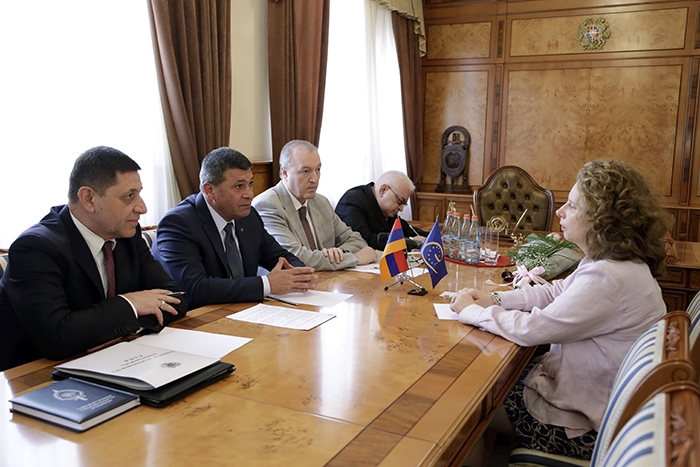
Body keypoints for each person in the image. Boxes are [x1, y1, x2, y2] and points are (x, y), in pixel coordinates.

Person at [450, 160, 669, 460]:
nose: (560, 212)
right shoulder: (613, 262)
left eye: (573, 206)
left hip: (584, 424)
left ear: (602, 219)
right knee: (484, 385)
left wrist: (470, 312)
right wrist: (496, 300)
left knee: (463, 407)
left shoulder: (608, 278)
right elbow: (555, 292)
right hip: (596, 401)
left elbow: (533, 329)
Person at [0, 146, 188, 371]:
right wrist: (130, 305)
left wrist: (113, 328)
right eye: (129, 196)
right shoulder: (36, 248)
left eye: (139, 193)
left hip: (116, 360)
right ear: (88, 198)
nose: (142, 207)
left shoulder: (127, 233)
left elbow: (176, 299)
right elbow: (57, 337)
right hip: (39, 376)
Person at [152, 147, 318, 309]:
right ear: (209, 190)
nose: (249, 194)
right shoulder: (178, 224)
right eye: (239, 186)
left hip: (243, 311)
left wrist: (299, 273)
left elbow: (279, 256)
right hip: (197, 319)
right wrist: (267, 284)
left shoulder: (248, 216)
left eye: (250, 184)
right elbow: (195, 289)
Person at [252, 140, 378, 270]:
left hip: (326, 278)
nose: (315, 179)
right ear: (285, 173)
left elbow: (356, 240)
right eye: (305, 171)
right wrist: (353, 259)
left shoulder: (321, 202)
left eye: (318, 169)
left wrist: (337, 254)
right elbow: (295, 258)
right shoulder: (267, 205)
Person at [335, 170, 428, 251]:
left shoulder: (387, 210)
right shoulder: (353, 201)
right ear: (383, 190)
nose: (401, 208)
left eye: (404, 204)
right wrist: (411, 242)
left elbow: (406, 229)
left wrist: (431, 237)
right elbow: (365, 241)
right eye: (400, 201)